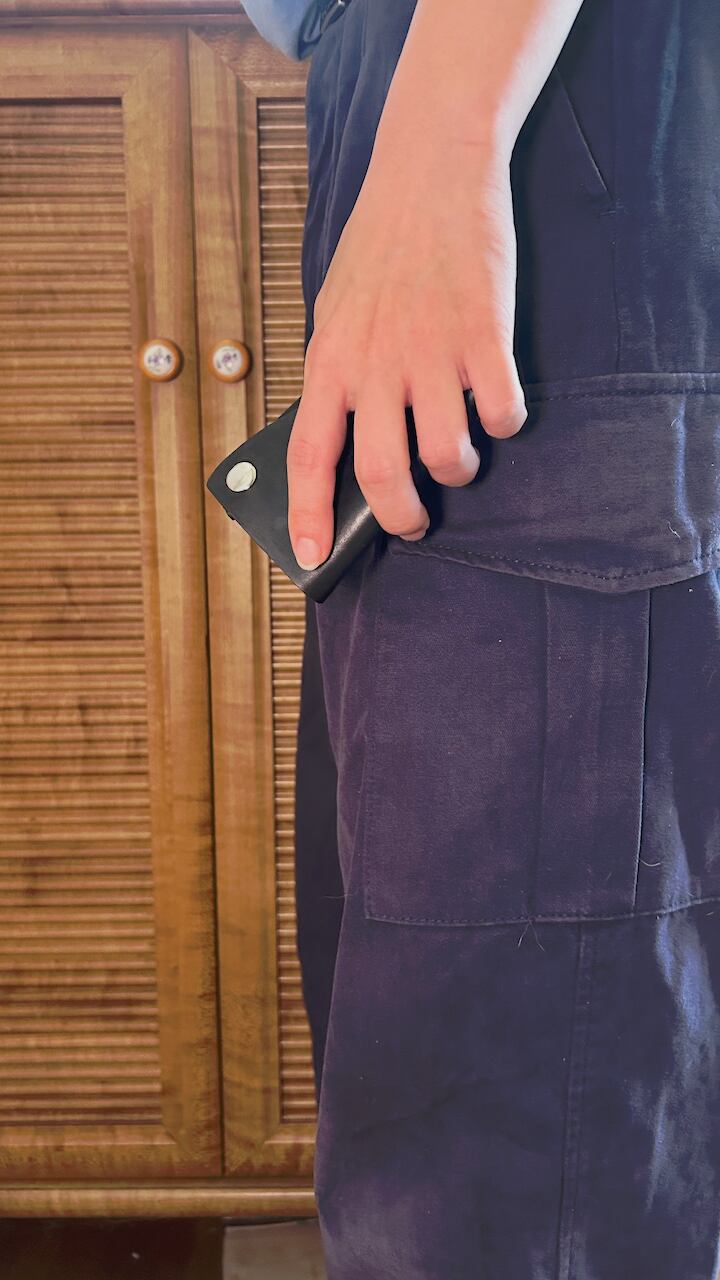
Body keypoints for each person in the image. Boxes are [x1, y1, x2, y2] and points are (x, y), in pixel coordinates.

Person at [242, 1, 720, 1277]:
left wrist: (442, 143)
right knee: (477, 1073)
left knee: (513, 1159)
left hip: (533, 103)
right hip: (464, 95)